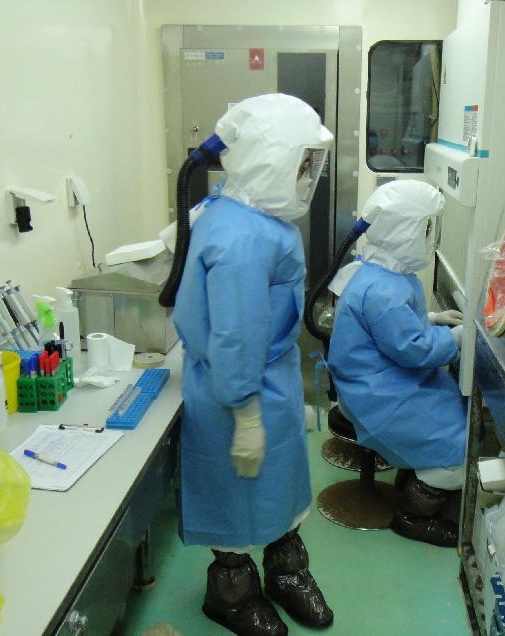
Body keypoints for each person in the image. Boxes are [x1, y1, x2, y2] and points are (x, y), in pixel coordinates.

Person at [172, 93, 334, 636]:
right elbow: (236, 336)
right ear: (272, 160)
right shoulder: (241, 235)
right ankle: (232, 594)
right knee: (239, 501)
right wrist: (244, 412)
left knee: (279, 490)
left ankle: (287, 572)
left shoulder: (250, 214)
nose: (308, 176)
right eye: (302, 163)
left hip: (270, 380)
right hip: (237, 388)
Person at [327, 180, 468, 547]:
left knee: (447, 409)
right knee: (460, 447)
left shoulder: (379, 274)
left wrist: (431, 322)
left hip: (379, 384)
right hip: (377, 397)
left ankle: (416, 477)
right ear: (406, 232)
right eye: (425, 228)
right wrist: (454, 338)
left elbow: (395, 333)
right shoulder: (384, 290)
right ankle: (413, 515)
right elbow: (413, 351)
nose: (429, 236)